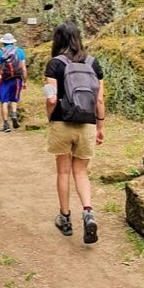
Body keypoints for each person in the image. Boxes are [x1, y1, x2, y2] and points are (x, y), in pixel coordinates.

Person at [44, 20, 105, 245]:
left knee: (63, 172)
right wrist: (100, 126)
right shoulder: (93, 63)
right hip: (87, 124)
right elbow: (99, 99)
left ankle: (65, 218)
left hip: (62, 122)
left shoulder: (54, 64)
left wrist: (50, 117)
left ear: (57, 39)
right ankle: (88, 212)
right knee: (81, 172)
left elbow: (51, 98)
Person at [0, 33, 27, 132]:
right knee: (14, 99)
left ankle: (6, 124)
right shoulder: (20, 51)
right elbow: (23, 69)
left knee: (4, 101)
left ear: (3, 43)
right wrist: (24, 81)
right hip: (17, 79)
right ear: (13, 42)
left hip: (5, 79)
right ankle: (14, 115)